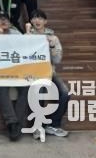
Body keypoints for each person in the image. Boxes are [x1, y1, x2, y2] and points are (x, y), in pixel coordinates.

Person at [26, 10, 70, 139]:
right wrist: (27, 34)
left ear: (45, 21)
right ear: (31, 21)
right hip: (32, 73)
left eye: (40, 18)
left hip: (49, 72)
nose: (37, 21)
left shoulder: (53, 37)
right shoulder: (27, 36)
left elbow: (57, 60)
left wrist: (51, 47)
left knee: (65, 93)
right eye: (34, 18)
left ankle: (53, 125)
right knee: (39, 90)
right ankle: (37, 126)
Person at [0, 10, 28, 141]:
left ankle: (16, 123)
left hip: (17, 70)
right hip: (0, 71)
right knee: (1, 88)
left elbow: (22, 50)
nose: (3, 21)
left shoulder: (16, 33)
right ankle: (12, 123)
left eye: (5, 18)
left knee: (26, 88)